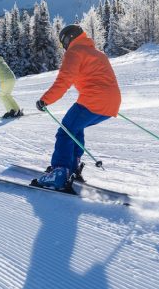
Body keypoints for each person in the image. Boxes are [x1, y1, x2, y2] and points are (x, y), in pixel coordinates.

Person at [33, 24, 121, 191]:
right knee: (75, 128)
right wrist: (108, 101)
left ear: (69, 38)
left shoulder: (75, 52)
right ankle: (72, 165)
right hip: (111, 103)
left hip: (94, 100)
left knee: (65, 131)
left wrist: (45, 100)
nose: (64, 46)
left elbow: (64, 81)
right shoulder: (97, 53)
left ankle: (60, 173)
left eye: (63, 42)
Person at [0, 53, 23, 119]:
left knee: (2, 95)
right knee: (7, 95)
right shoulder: (3, 62)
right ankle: (17, 110)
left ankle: (11, 111)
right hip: (12, 79)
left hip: (6, 80)